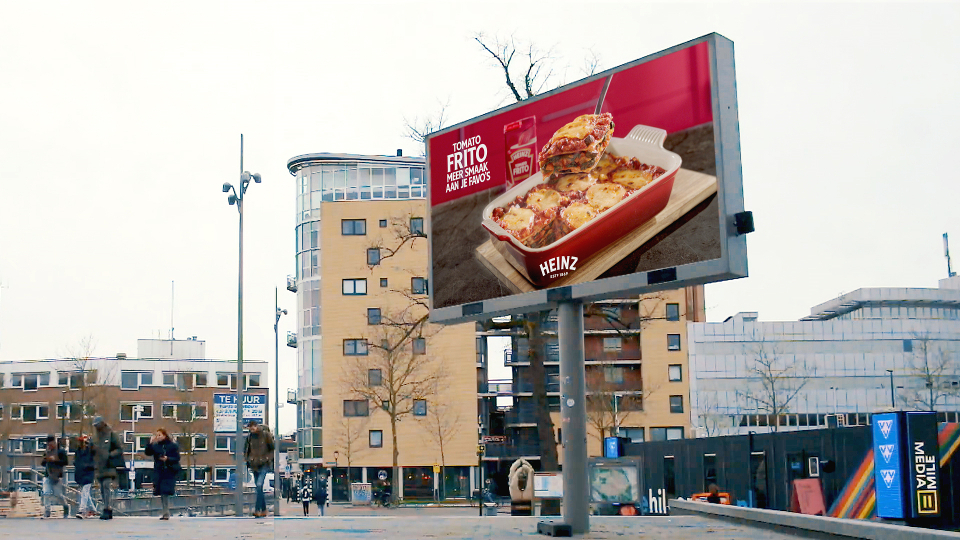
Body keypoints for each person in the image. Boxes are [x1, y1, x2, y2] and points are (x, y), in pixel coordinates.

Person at [144, 428, 181, 520]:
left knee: (165, 491)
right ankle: (165, 512)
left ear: (164, 435)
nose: (158, 437)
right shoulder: (155, 446)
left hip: (169, 471)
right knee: (161, 492)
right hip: (159, 471)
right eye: (157, 435)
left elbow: (177, 457)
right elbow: (147, 453)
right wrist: (150, 443)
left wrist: (168, 459)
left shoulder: (172, 445)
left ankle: (166, 512)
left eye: (159, 435)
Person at [91, 416, 123, 520]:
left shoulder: (111, 435)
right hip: (100, 465)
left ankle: (107, 508)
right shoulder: (96, 437)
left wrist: (110, 454)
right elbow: (94, 450)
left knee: (106, 486)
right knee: (102, 489)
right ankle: (106, 508)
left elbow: (119, 449)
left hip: (109, 464)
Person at [243, 420, 275, 518]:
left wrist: (267, 458)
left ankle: (257, 510)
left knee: (259, 484)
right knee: (258, 487)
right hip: (254, 465)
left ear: (256, 426)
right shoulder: (249, 438)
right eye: (250, 428)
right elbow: (246, 450)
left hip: (264, 464)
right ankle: (264, 510)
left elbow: (272, 449)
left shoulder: (265, 435)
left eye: (253, 427)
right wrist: (248, 459)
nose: (252, 429)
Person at [41, 435, 68, 519]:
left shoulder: (60, 451)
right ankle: (47, 510)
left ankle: (65, 506)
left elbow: (65, 462)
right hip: (48, 474)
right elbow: (42, 463)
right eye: (48, 444)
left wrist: (55, 460)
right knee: (46, 493)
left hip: (57, 475)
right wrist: (46, 459)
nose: (50, 446)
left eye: (51, 444)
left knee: (58, 494)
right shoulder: (47, 451)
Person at [74, 435, 97, 518]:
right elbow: (76, 463)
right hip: (81, 474)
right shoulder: (78, 452)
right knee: (85, 493)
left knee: (85, 491)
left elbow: (94, 461)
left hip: (88, 474)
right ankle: (93, 509)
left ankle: (82, 510)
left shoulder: (90, 451)